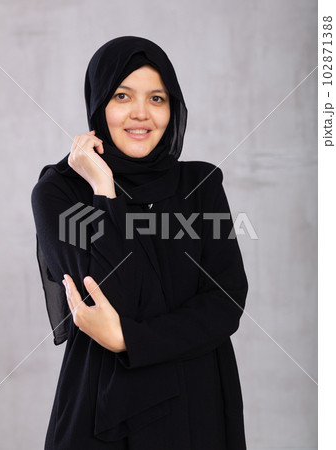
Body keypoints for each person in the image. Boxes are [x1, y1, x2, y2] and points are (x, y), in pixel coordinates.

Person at [31, 36, 249, 450]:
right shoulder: (60, 193)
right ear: (99, 105)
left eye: (157, 98)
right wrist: (102, 189)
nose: (140, 113)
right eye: (122, 95)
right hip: (103, 409)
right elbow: (115, 293)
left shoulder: (200, 185)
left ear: (173, 108)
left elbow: (226, 302)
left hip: (198, 403)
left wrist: (126, 339)